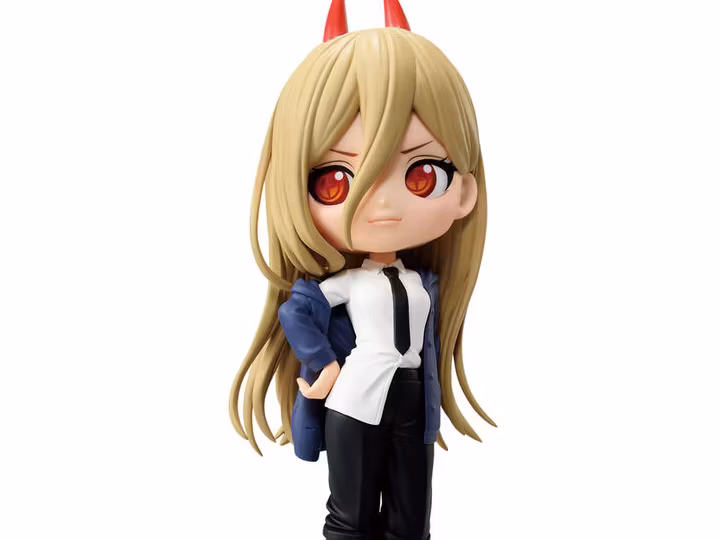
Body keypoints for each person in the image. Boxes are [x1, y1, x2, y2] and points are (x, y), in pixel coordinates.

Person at [229, 1, 495, 538]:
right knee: (350, 517)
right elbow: (298, 309)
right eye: (334, 181)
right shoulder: (346, 285)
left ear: (463, 191)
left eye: (422, 174)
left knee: (411, 519)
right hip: (355, 400)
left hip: (413, 399)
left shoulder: (424, 284)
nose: (381, 204)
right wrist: (324, 365)